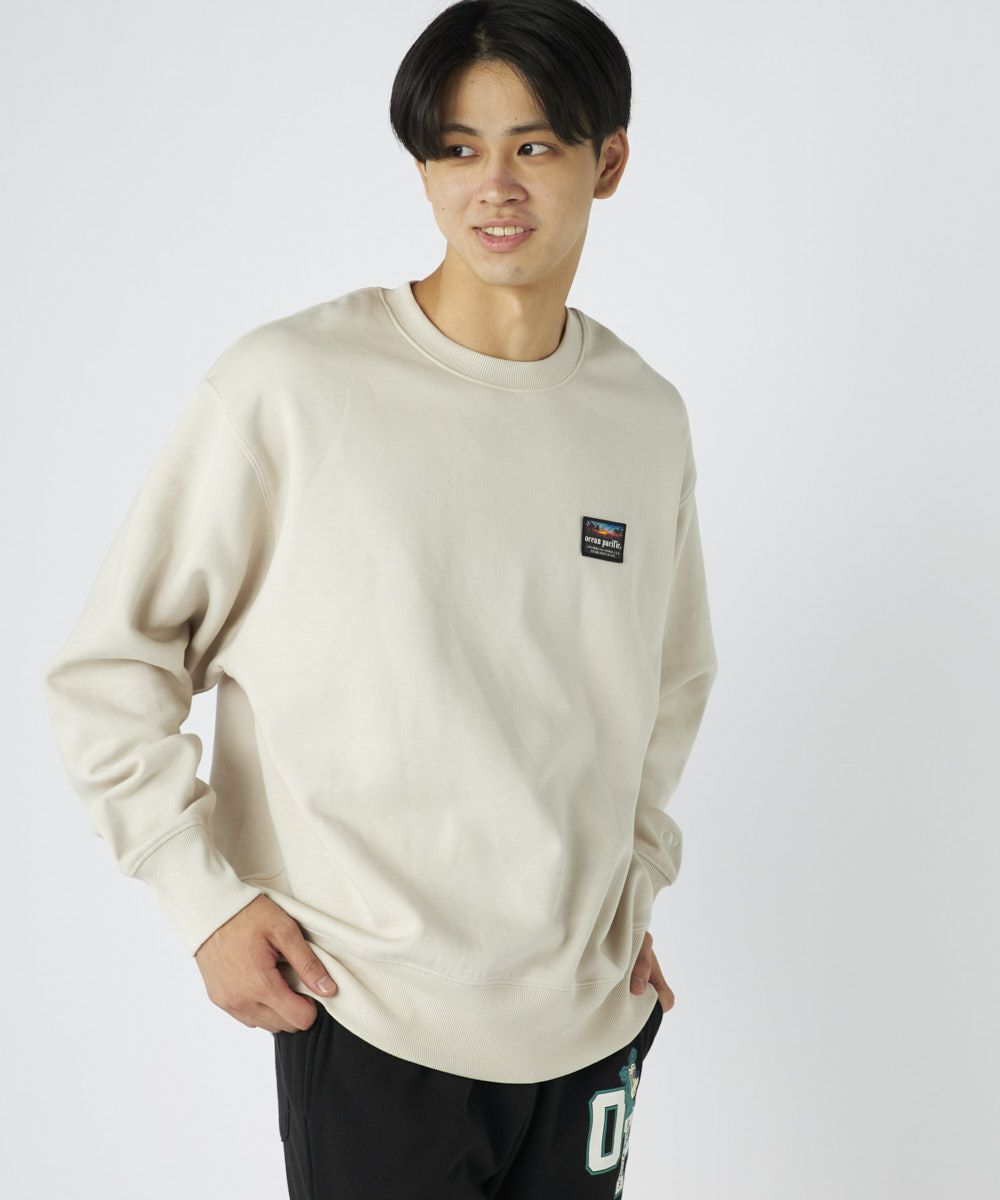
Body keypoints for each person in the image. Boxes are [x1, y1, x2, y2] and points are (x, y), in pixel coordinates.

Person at [41, 0, 719, 1195]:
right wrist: (202, 901)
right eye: (457, 148)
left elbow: (664, 687)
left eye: (534, 145)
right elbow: (112, 668)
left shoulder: (641, 415)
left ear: (607, 160)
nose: (493, 186)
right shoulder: (290, 387)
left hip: (587, 1017)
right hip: (368, 1005)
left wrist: (631, 890)